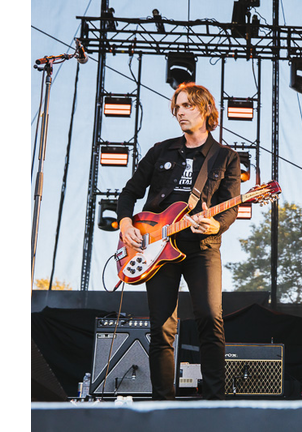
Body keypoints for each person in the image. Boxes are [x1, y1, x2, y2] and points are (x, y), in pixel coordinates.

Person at [116, 82, 242, 400]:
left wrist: (215, 225)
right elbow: (129, 192)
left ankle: (214, 403)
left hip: (202, 248)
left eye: (188, 106)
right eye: (178, 107)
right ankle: (162, 405)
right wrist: (126, 223)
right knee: (161, 328)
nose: (180, 112)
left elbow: (231, 207)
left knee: (210, 318)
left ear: (206, 110)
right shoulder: (161, 150)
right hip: (155, 246)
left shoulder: (225, 157)